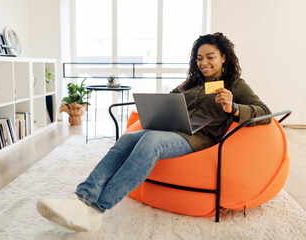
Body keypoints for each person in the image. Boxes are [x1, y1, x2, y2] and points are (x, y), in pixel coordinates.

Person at [36, 32, 271, 232]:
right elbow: (170, 103)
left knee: (151, 142)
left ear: (224, 58)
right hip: (174, 128)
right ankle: (81, 199)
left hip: (199, 137)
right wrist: (162, 105)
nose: (203, 62)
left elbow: (264, 110)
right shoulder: (192, 83)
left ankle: (97, 209)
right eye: (199, 58)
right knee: (128, 138)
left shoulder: (236, 84)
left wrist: (235, 108)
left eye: (210, 57)